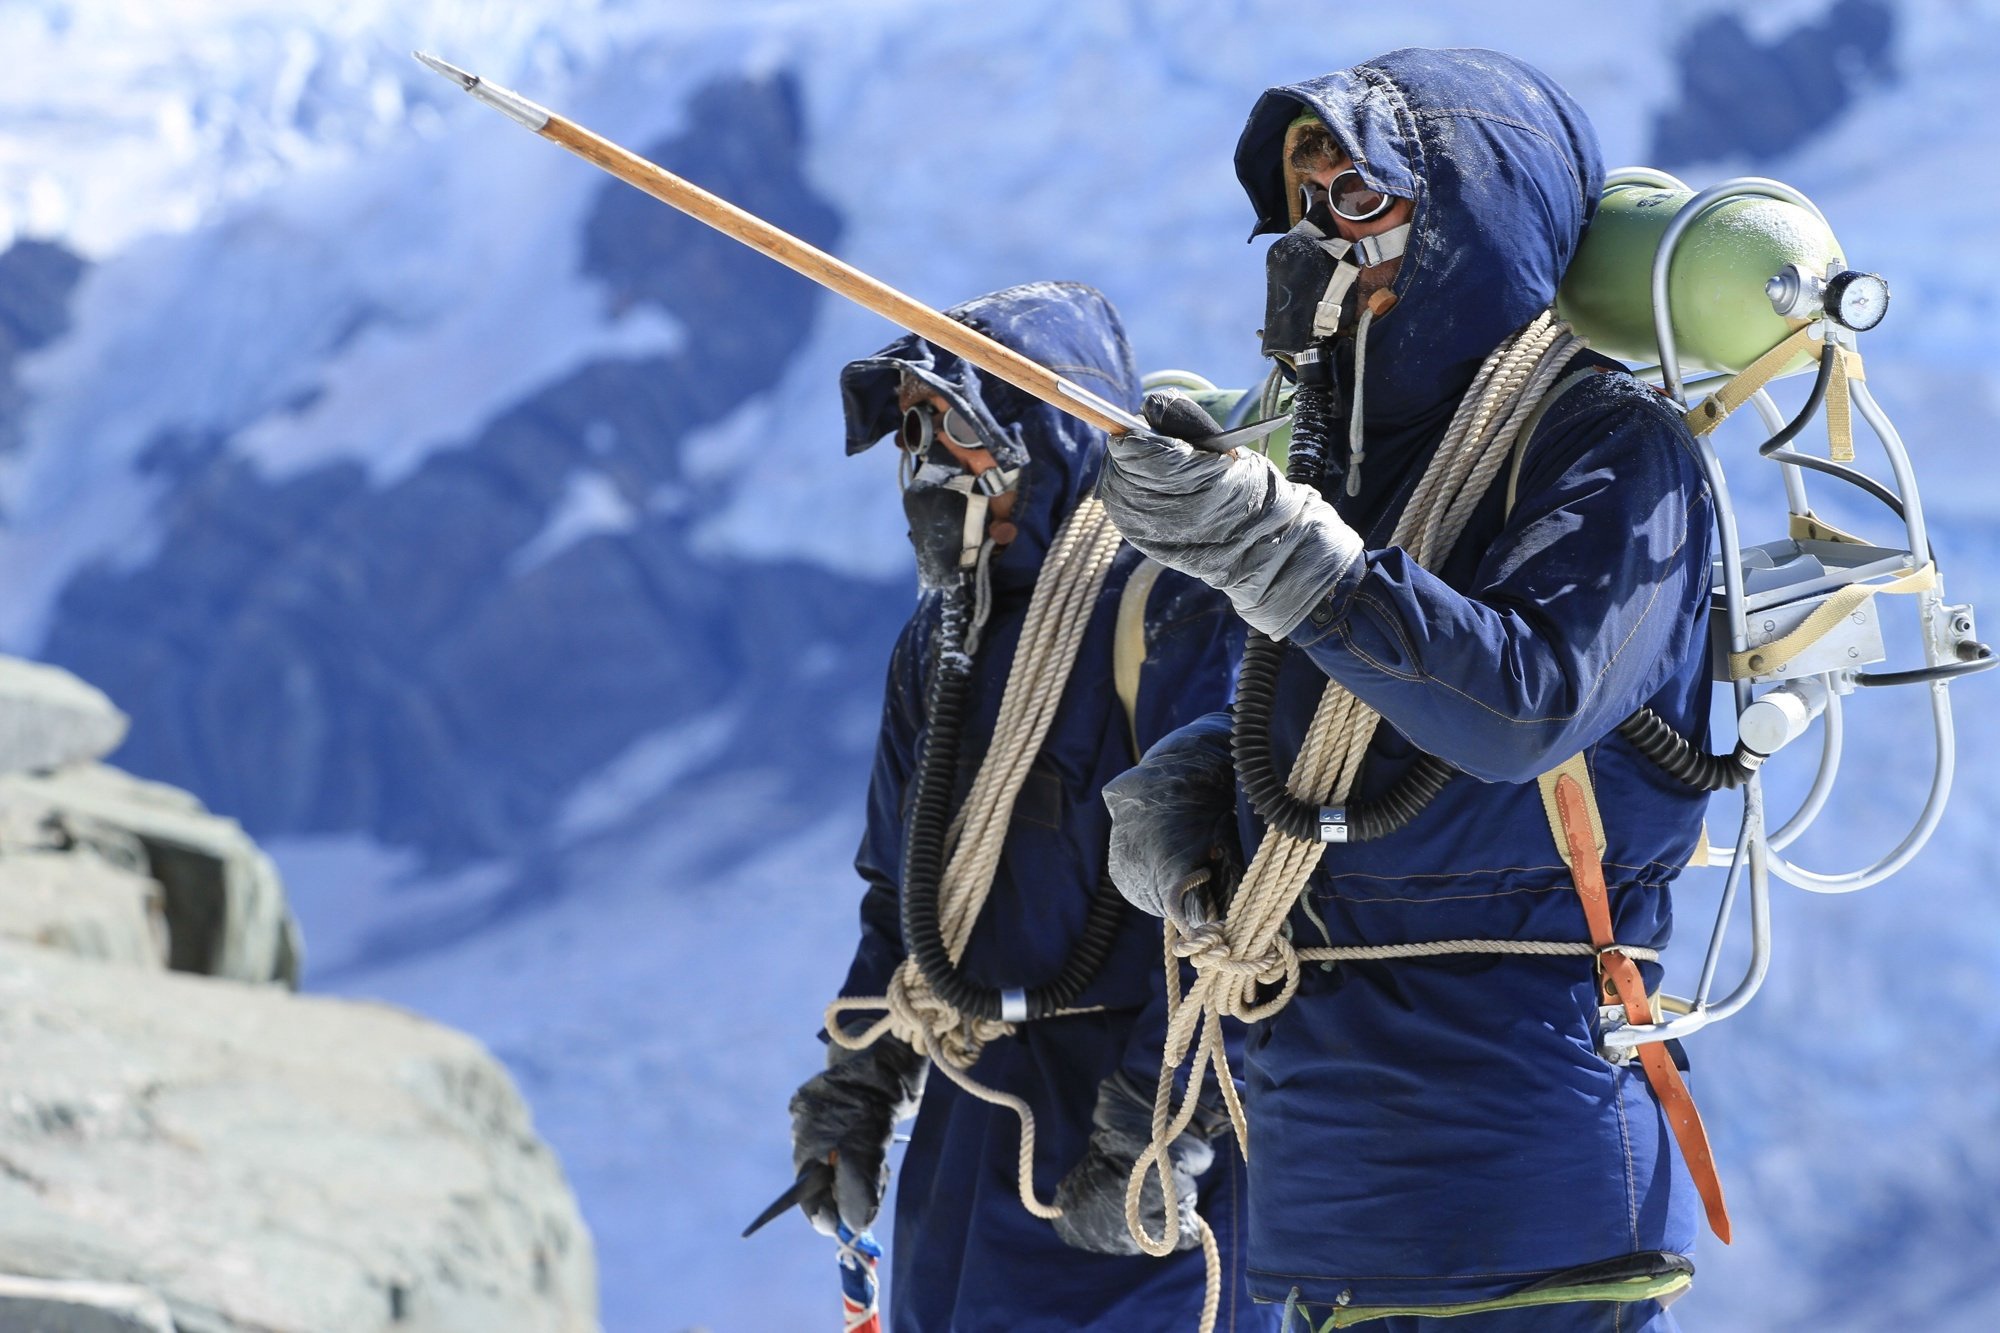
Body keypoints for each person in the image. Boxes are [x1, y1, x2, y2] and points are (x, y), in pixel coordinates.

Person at [1097, 49, 1720, 1330]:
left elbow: (1517, 704)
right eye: (1308, 204)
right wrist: (1210, 782)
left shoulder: (1610, 443)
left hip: (1521, 1200)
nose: (1329, 237)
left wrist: (1282, 554)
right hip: (1331, 1202)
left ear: (1476, 211)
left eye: (1365, 197)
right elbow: (1336, 723)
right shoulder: (1339, 474)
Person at [786, 281, 1275, 1331]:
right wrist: (858, 1082)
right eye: (914, 438)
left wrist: (1156, 1126)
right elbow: (903, 892)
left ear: (1042, 433)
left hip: (1135, 1144)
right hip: (977, 1138)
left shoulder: (1177, 606)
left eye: (955, 432)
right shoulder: (938, 643)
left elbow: (1240, 906)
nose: (932, 470)